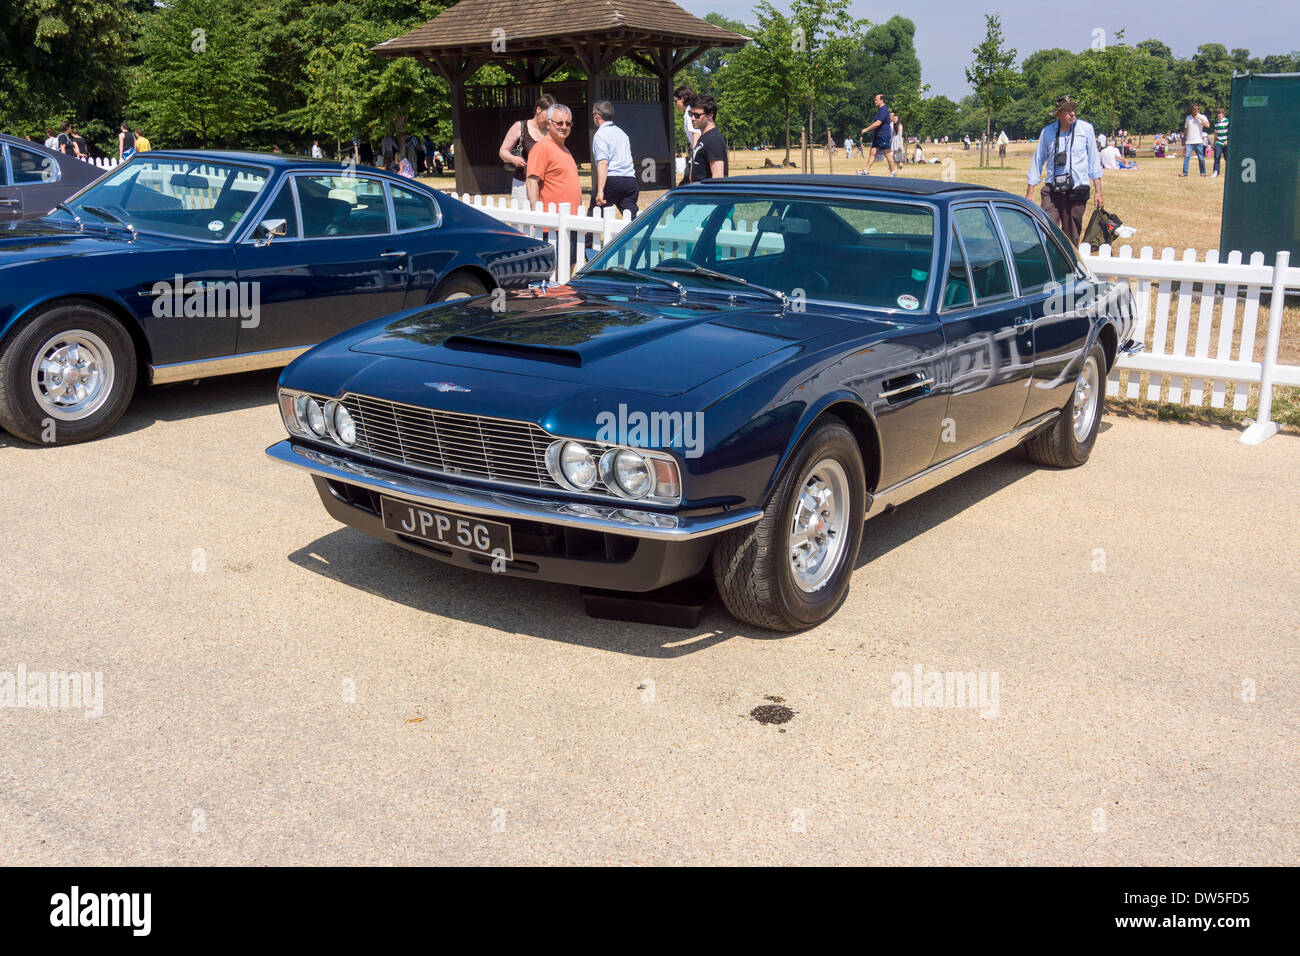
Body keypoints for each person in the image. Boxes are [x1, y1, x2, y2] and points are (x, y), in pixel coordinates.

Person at [1026, 95, 1103, 246]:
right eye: (1068, 110)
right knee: (1047, 230)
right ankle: (1050, 266)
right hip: (1052, 189)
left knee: (1071, 237)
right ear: (1058, 114)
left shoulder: (1086, 129)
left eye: (1073, 109)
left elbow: (1094, 162)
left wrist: (1098, 192)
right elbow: (1038, 160)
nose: (1072, 113)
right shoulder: (1047, 132)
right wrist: (1030, 191)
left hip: (1076, 190)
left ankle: (1070, 266)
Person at [526, 103, 582, 265]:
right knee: (554, 274)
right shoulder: (542, 148)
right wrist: (537, 213)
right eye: (559, 123)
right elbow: (531, 181)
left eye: (568, 123)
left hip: (570, 223)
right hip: (553, 226)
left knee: (569, 269)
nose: (564, 127)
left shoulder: (564, 149)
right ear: (549, 123)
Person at [499, 94, 555, 206]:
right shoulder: (520, 126)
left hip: (546, 184)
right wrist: (513, 159)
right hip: (522, 184)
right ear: (538, 109)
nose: (549, 120)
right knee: (523, 221)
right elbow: (502, 151)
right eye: (547, 116)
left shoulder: (551, 130)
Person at [589, 100, 638, 217]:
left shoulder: (600, 135)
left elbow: (603, 163)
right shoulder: (622, 133)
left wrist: (600, 190)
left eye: (592, 115)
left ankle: (588, 236)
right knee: (632, 219)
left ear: (597, 116)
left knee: (593, 217)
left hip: (612, 179)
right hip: (629, 180)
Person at [683, 94, 728, 184]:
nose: (692, 118)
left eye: (697, 115)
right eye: (691, 114)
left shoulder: (713, 140)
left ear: (710, 115)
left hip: (707, 197)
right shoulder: (704, 137)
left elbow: (718, 179)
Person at [860, 93, 897, 176]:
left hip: (883, 135)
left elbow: (878, 123)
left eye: (876, 100)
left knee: (887, 154)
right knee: (872, 152)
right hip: (877, 135)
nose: (875, 101)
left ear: (882, 100)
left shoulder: (884, 110)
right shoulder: (880, 110)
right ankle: (866, 171)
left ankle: (893, 171)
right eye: (874, 100)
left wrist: (866, 129)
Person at [1182, 103, 1209, 177]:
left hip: (1199, 141)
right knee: (1187, 157)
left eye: (1198, 108)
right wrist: (1183, 139)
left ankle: (1203, 172)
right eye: (1195, 109)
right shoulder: (1188, 118)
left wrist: (1199, 118)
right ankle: (1185, 173)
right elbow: (1186, 129)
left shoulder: (1202, 116)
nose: (1196, 110)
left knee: (1201, 158)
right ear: (1191, 110)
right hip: (1189, 142)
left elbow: (1207, 125)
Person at [674, 85, 699, 151]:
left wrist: (694, 157)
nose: (675, 104)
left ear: (682, 99)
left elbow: (696, 135)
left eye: (675, 101)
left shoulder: (689, 111)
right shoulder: (693, 108)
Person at [1211, 107, 1228, 178]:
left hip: (1226, 142)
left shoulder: (1227, 121)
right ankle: (1216, 171)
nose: (1220, 114)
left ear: (1223, 114)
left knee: (1227, 157)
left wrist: (1228, 140)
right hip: (1219, 142)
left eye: (1221, 113)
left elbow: (1231, 132)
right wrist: (1213, 144)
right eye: (1218, 113)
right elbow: (1215, 134)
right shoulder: (1216, 124)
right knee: (1217, 157)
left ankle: (1230, 171)